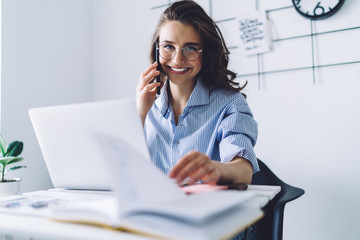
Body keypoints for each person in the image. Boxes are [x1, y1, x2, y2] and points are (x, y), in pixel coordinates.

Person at [136, 1, 259, 239]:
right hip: (157, 226)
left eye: (191, 48)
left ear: (206, 53)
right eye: (168, 47)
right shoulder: (141, 107)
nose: (178, 59)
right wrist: (139, 114)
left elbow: (243, 171)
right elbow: (117, 172)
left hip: (216, 228)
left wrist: (215, 168)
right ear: (156, 51)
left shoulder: (230, 104)